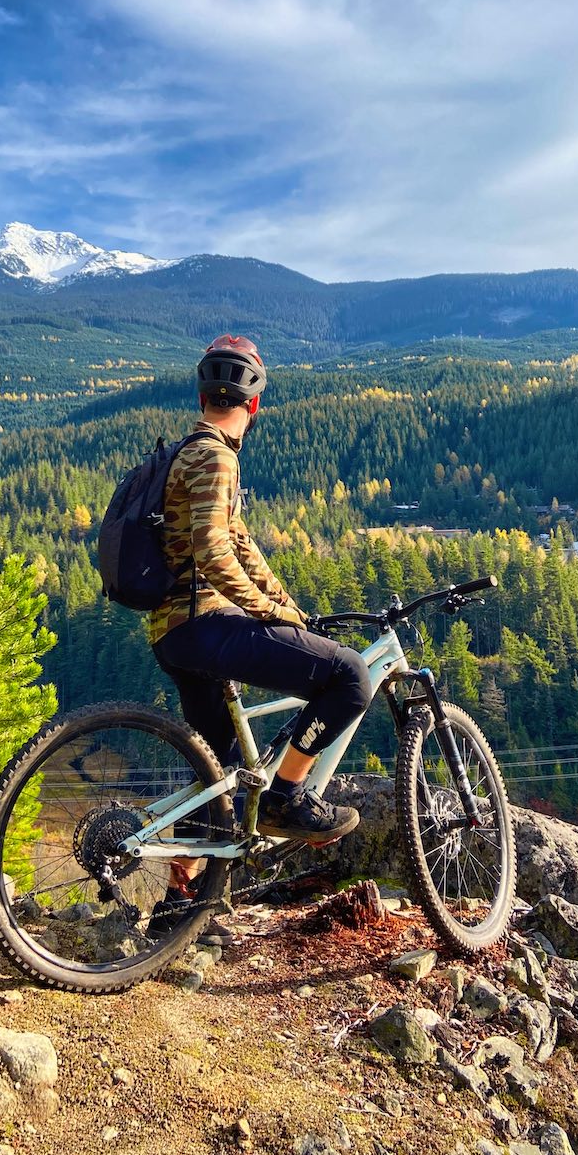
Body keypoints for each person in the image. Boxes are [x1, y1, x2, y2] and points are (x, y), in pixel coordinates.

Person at [147, 334, 370, 936]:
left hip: (172, 634)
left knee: (215, 771)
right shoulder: (218, 457)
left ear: (202, 395)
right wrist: (261, 610)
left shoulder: (191, 451)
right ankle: (286, 797)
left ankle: (180, 907)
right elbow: (213, 549)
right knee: (350, 676)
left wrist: (286, 608)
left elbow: (241, 542)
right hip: (206, 623)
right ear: (254, 405)